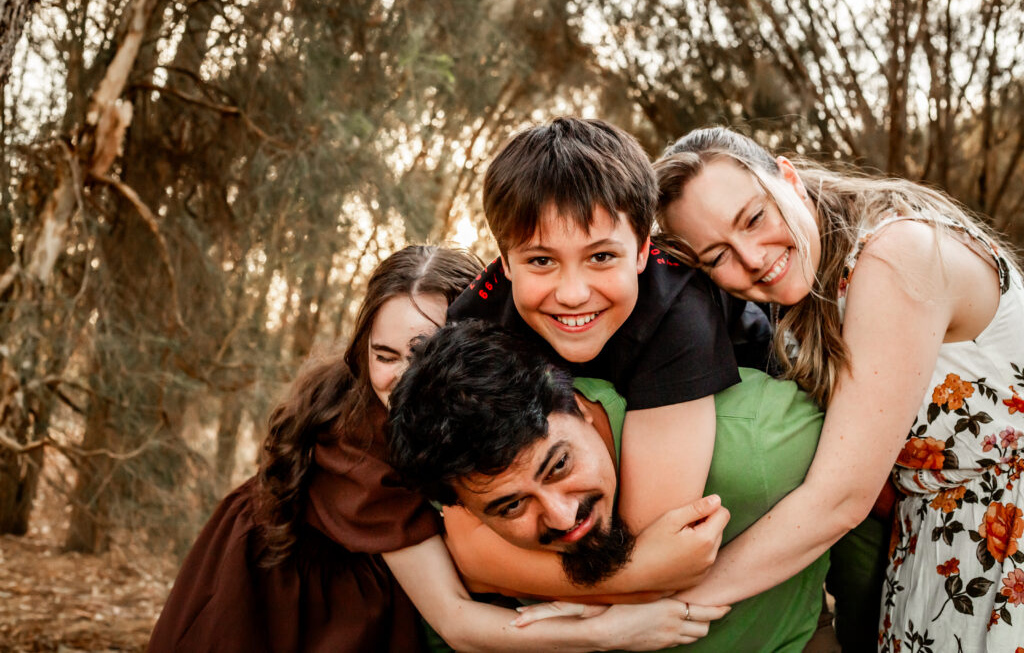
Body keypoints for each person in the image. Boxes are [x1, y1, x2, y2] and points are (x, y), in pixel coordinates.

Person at [149, 245, 714, 653]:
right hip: (297, 596)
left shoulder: (513, 402)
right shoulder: (361, 444)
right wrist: (610, 626)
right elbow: (457, 616)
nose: (399, 379)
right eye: (384, 354)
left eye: (424, 353)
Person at [652, 127, 1024, 651]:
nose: (753, 258)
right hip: (937, 554)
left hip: (1008, 543)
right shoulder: (807, 295)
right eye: (717, 257)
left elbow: (838, 499)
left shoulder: (897, 255)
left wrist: (659, 612)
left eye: (755, 218)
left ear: (787, 177)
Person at [446, 118, 773, 595]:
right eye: (541, 260)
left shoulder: (680, 311)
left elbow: (652, 539)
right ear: (505, 261)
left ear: (642, 250)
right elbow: (468, 546)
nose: (573, 293)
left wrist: (511, 572)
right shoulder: (475, 324)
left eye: (601, 257)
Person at [389, 319, 830, 651]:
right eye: (511, 507)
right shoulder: (450, 484)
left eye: (559, 465)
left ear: (578, 406)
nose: (563, 517)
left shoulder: (758, 442)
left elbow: (861, 504)